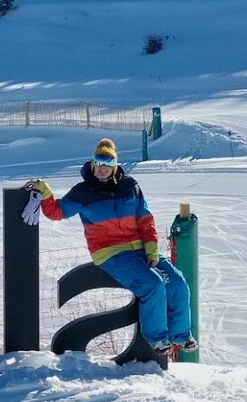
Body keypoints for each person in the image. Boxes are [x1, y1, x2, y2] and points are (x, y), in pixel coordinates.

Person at [27, 137, 196, 357]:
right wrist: (46, 193)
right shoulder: (83, 192)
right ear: (93, 162)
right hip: (111, 252)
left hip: (141, 249)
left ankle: (181, 334)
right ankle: (157, 338)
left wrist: (152, 249)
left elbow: (145, 219)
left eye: (108, 163)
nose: (103, 168)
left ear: (115, 164)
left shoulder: (130, 187)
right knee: (153, 284)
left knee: (178, 284)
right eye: (99, 162)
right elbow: (58, 211)